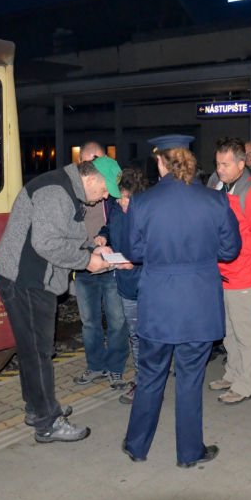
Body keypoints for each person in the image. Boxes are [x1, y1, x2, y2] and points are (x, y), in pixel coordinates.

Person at [122, 134, 241, 468]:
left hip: (159, 301)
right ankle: (189, 453)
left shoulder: (143, 202)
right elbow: (231, 250)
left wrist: (159, 256)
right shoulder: (215, 200)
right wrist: (202, 256)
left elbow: (132, 251)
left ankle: (136, 445)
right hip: (199, 303)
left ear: (161, 162)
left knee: (150, 375)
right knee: (190, 378)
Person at [0, 156, 121, 443]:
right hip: (26, 279)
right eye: (102, 192)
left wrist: (92, 250)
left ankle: (37, 408)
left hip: (28, 276)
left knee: (31, 347)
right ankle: (48, 422)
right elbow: (47, 243)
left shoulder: (66, 189)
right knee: (38, 350)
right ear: (90, 180)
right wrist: (87, 261)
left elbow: (64, 237)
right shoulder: (57, 193)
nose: (102, 199)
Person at [208, 137, 251, 405]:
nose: (219, 169)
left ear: (241, 163)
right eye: (217, 163)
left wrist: (229, 247)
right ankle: (233, 373)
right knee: (228, 331)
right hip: (222, 273)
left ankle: (246, 384)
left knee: (245, 333)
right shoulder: (218, 186)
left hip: (244, 274)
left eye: (225, 164)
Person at [73, 142, 129, 389]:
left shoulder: (112, 191)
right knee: (90, 322)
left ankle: (115, 368)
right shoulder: (72, 193)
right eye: (92, 160)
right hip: (83, 265)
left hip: (110, 266)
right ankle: (95, 366)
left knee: (117, 320)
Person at [97, 167, 149, 405]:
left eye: (127, 197)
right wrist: (103, 235)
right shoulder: (117, 209)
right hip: (126, 284)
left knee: (144, 336)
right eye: (119, 197)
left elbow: (158, 249)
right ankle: (144, 379)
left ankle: (145, 383)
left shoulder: (149, 214)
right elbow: (111, 227)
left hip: (147, 285)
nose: (122, 202)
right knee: (135, 336)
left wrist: (135, 264)